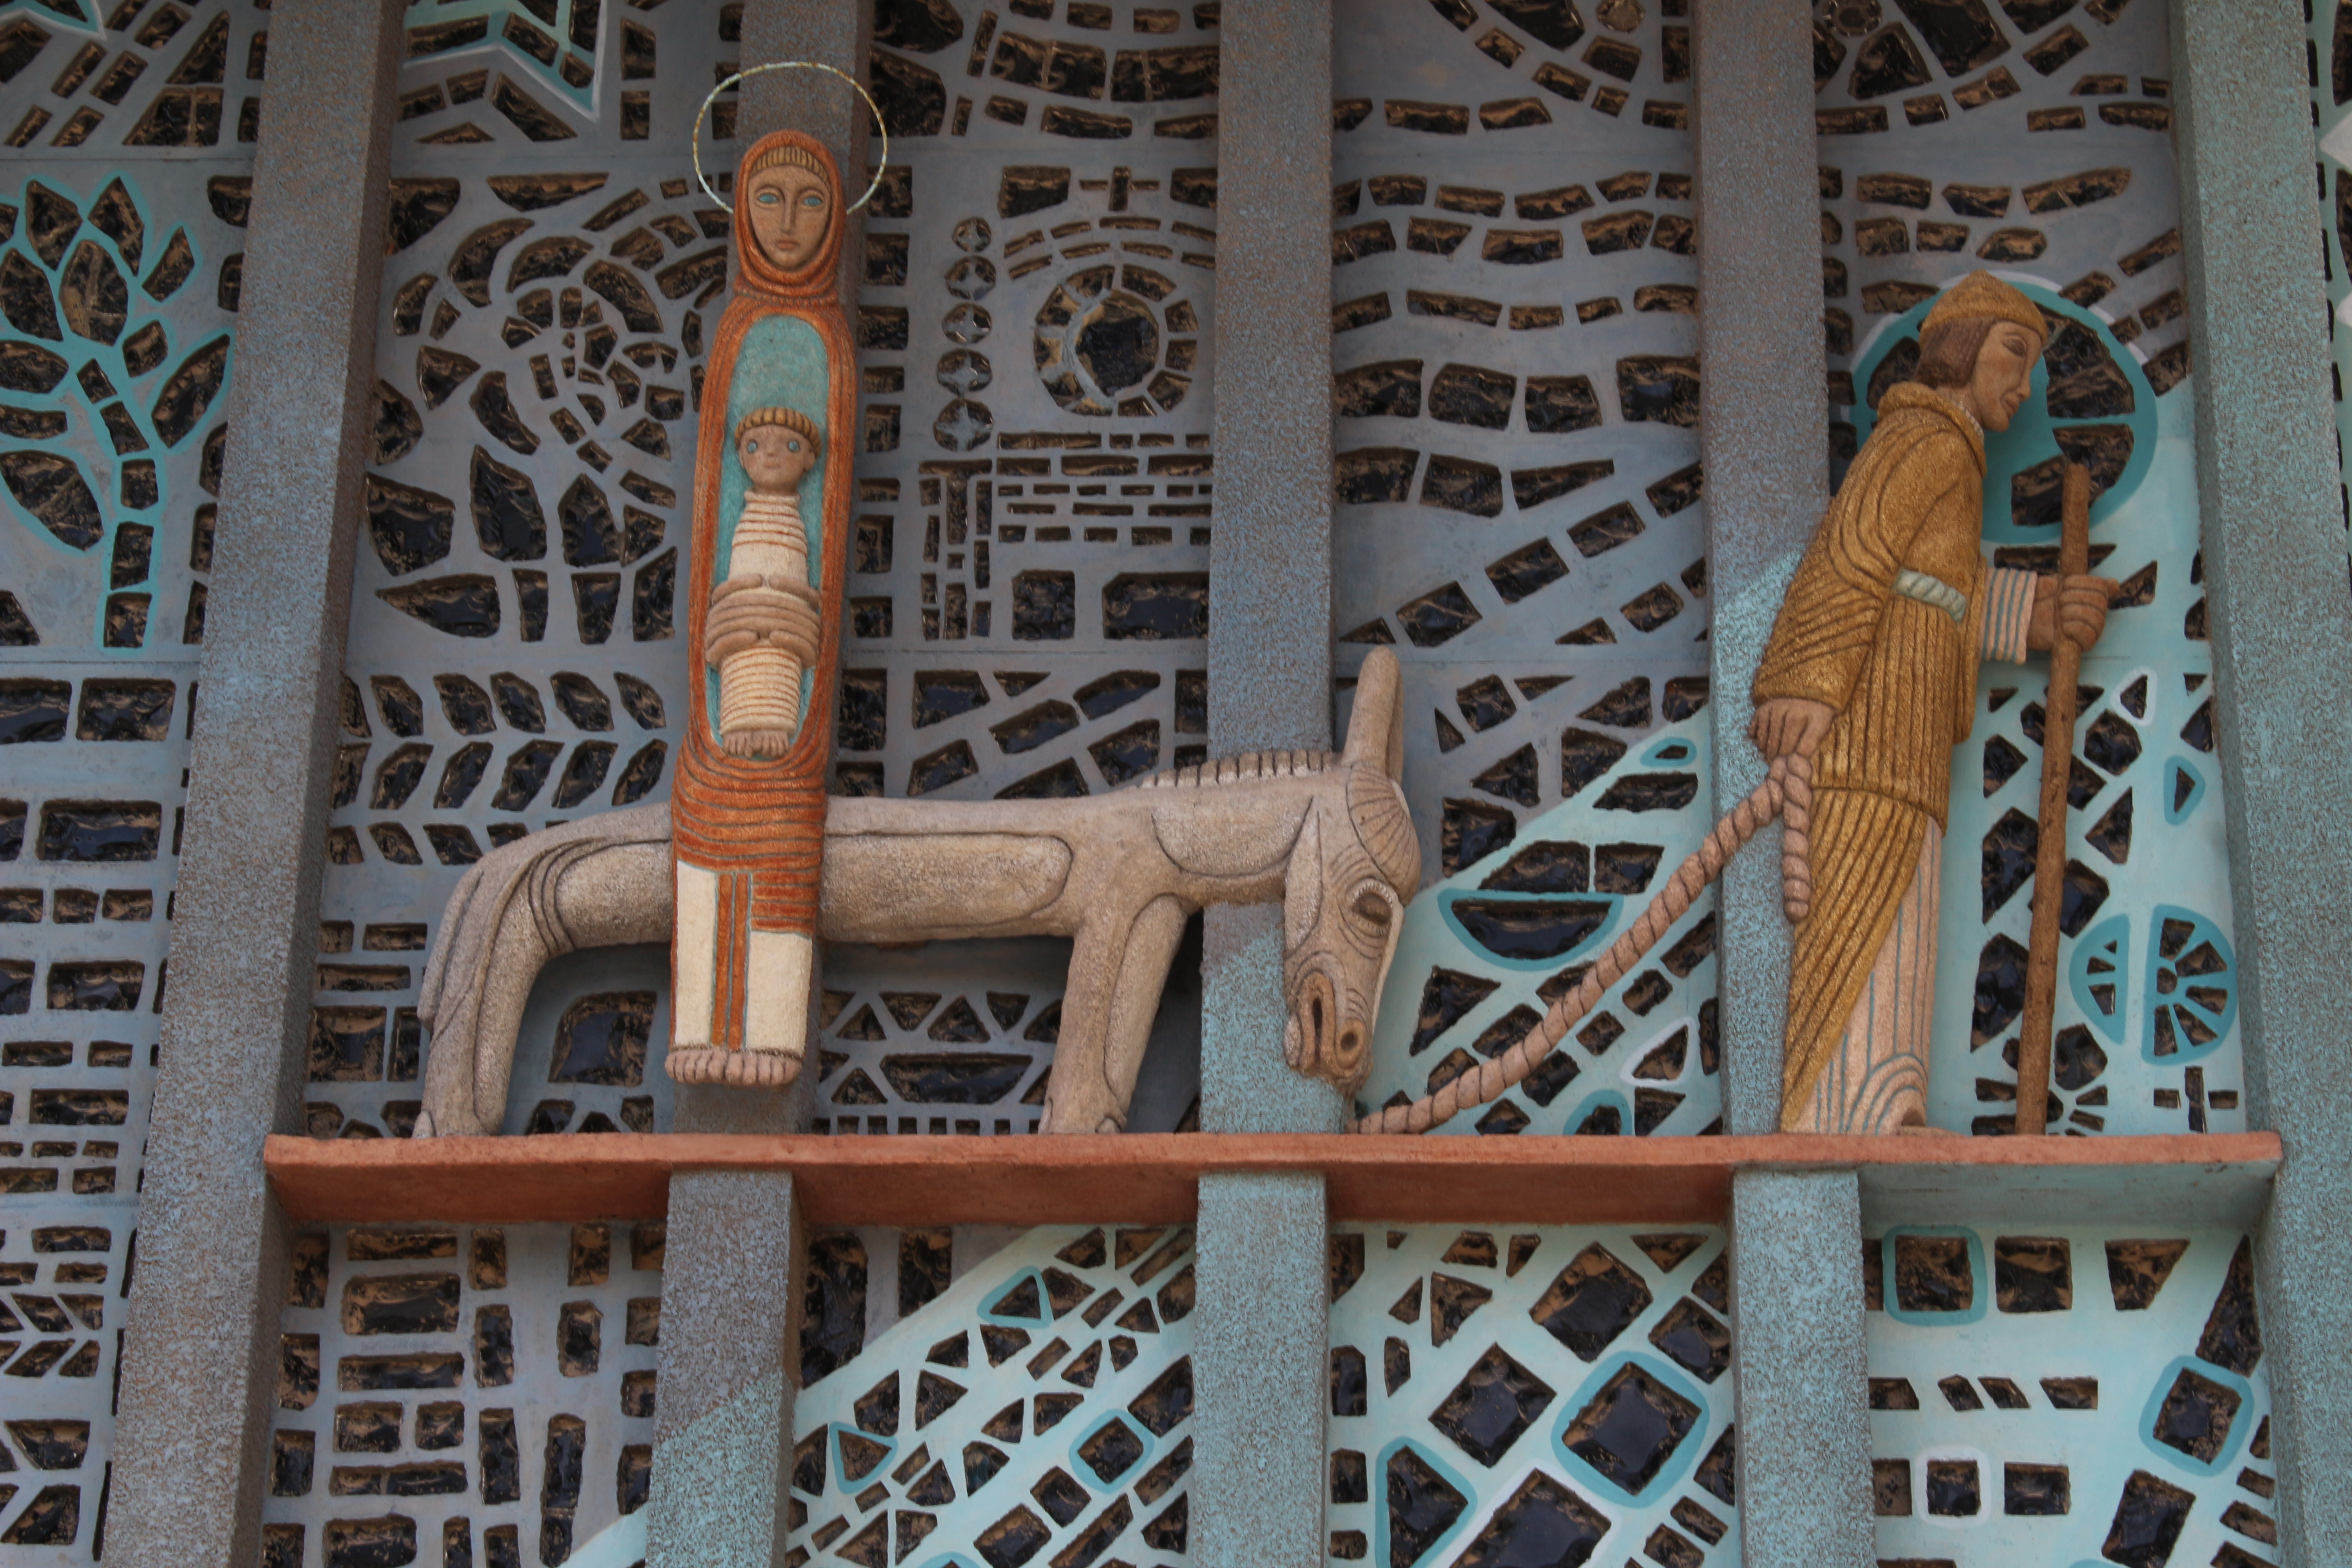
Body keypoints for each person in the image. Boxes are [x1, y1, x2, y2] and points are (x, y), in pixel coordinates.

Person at [1751, 270, 2116, 1134]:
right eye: (2012, 354)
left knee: (1903, 900)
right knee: (1860, 903)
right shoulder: (1920, 437)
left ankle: (1888, 1097)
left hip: (1908, 729)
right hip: (1869, 728)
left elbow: (1941, 590)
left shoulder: (1952, 446)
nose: (2021, 386)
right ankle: (1839, 1111)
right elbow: (1850, 549)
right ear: (1960, 344)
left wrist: (2034, 611)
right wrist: (1802, 683)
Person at [667, 131, 855, 1088]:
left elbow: (825, 522)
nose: (786, 223)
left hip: (790, 688)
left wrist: (794, 634)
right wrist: (722, 630)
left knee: (781, 843)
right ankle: (701, 1025)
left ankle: (769, 1035)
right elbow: (712, 521)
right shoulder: (741, 337)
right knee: (705, 835)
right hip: (727, 673)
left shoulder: (825, 344)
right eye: (769, 197)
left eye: (810, 201)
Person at [709, 407, 824, 758]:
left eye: (789, 446)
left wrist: (800, 601)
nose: (771, 455)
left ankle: (776, 724)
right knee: (740, 647)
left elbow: (803, 591)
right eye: (756, 446)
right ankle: (738, 725)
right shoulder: (744, 523)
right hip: (740, 618)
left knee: (782, 649)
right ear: (742, 459)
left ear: (808, 460)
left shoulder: (796, 525)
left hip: (785, 625)